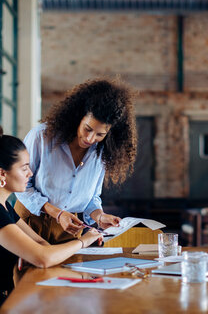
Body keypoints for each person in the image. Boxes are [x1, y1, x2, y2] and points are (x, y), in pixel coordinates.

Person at [0, 124, 102, 313]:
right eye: (24, 168)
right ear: (2, 173)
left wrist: (35, 254)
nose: (30, 173)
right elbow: (42, 258)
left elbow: (41, 244)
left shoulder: (3, 206)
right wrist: (84, 241)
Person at [14, 78, 137, 244]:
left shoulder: (102, 152)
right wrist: (57, 213)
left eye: (100, 134)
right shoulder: (41, 137)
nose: (90, 138)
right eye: (87, 128)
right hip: (29, 222)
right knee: (25, 270)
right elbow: (21, 186)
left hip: (70, 229)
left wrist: (99, 216)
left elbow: (91, 197)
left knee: (67, 270)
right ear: (78, 117)